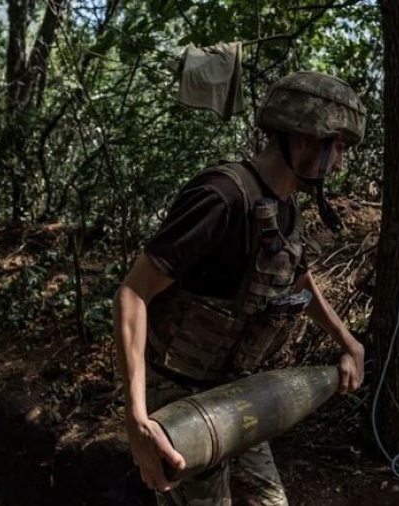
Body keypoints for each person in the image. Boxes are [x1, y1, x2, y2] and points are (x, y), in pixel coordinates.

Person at [113, 71, 367, 506]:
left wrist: (347, 340)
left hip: (234, 393)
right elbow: (133, 293)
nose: (340, 162)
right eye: (338, 146)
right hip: (179, 396)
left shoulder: (285, 206)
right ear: (306, 137)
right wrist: (136, 419)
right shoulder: (221, 196)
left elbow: (297, 276)